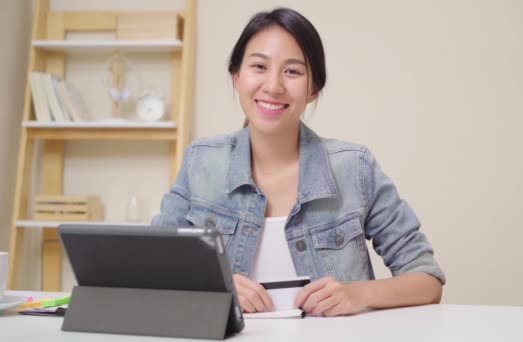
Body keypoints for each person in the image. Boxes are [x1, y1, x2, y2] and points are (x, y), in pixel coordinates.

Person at [152, 7, 445, 317]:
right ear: (237, 77)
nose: (274, 86)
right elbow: (150, 264)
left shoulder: (354, 167)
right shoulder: (201, 161)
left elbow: (427, 281)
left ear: (313, 89)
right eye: (259, 66)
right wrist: (213, 286)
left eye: (292, 71)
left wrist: (357, 293)